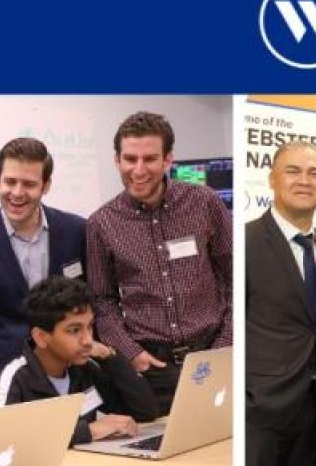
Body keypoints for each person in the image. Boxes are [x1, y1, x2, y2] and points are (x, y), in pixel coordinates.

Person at [86, 112, 232, 415]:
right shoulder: (101, 224)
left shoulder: (204, 203)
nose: (138, 170)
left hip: (213, 354)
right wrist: (131, 352)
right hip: (151, 369)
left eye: (150, 159)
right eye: (130, 159)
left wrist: (225, 344)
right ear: (117, 160)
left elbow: (236, 277)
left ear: (168, 160)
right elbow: (101, 301)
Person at [0, 137, 86, 408]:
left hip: (72, 373)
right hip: (6, 379)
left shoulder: (76, 231)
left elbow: (92, 303)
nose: (16, 192)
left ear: (46, 185)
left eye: (29, 184)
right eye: (10, 181)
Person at [246, 138, 316, 466]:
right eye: (293, 171)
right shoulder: (244, 242)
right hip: (260, 416)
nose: (304, 180)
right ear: (272, 179)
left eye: (314, 173)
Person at [0, 277, 157, 445]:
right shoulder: (16, 377)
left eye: (90, 326)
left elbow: (145, 412)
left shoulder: (86, 368)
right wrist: (88, 431)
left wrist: (109, 356)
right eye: (74, 330)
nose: (87, 340)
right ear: (41, 337)